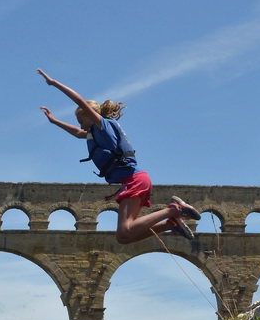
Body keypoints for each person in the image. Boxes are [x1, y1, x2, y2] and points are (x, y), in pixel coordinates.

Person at [37, 69, 200, 243]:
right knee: (124, 237)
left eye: (81, 120)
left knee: (126, 229)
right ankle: (171, 224)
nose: (81, 126)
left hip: (134, 179)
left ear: (89, 115)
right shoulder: (95, 133)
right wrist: (54, 121)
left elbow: (79, 100)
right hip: (132, 180)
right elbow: (78, 133)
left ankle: (174, 210)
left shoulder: (102, 126)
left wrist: (53, 83)